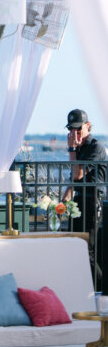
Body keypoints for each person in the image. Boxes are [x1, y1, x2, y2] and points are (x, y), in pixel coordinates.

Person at [65, 108, 106, 280]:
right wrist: (63, 203)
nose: (75, 133)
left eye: (78, 129)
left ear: (87, 126)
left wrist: (71, 149)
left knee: (87, 250)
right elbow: (73, 181)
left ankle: (101, 288)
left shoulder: (95, 147)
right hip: (78, 202)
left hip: (91, 203)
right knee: (74, 246)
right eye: (71, 129)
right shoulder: (79, 149)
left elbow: (78, 174)